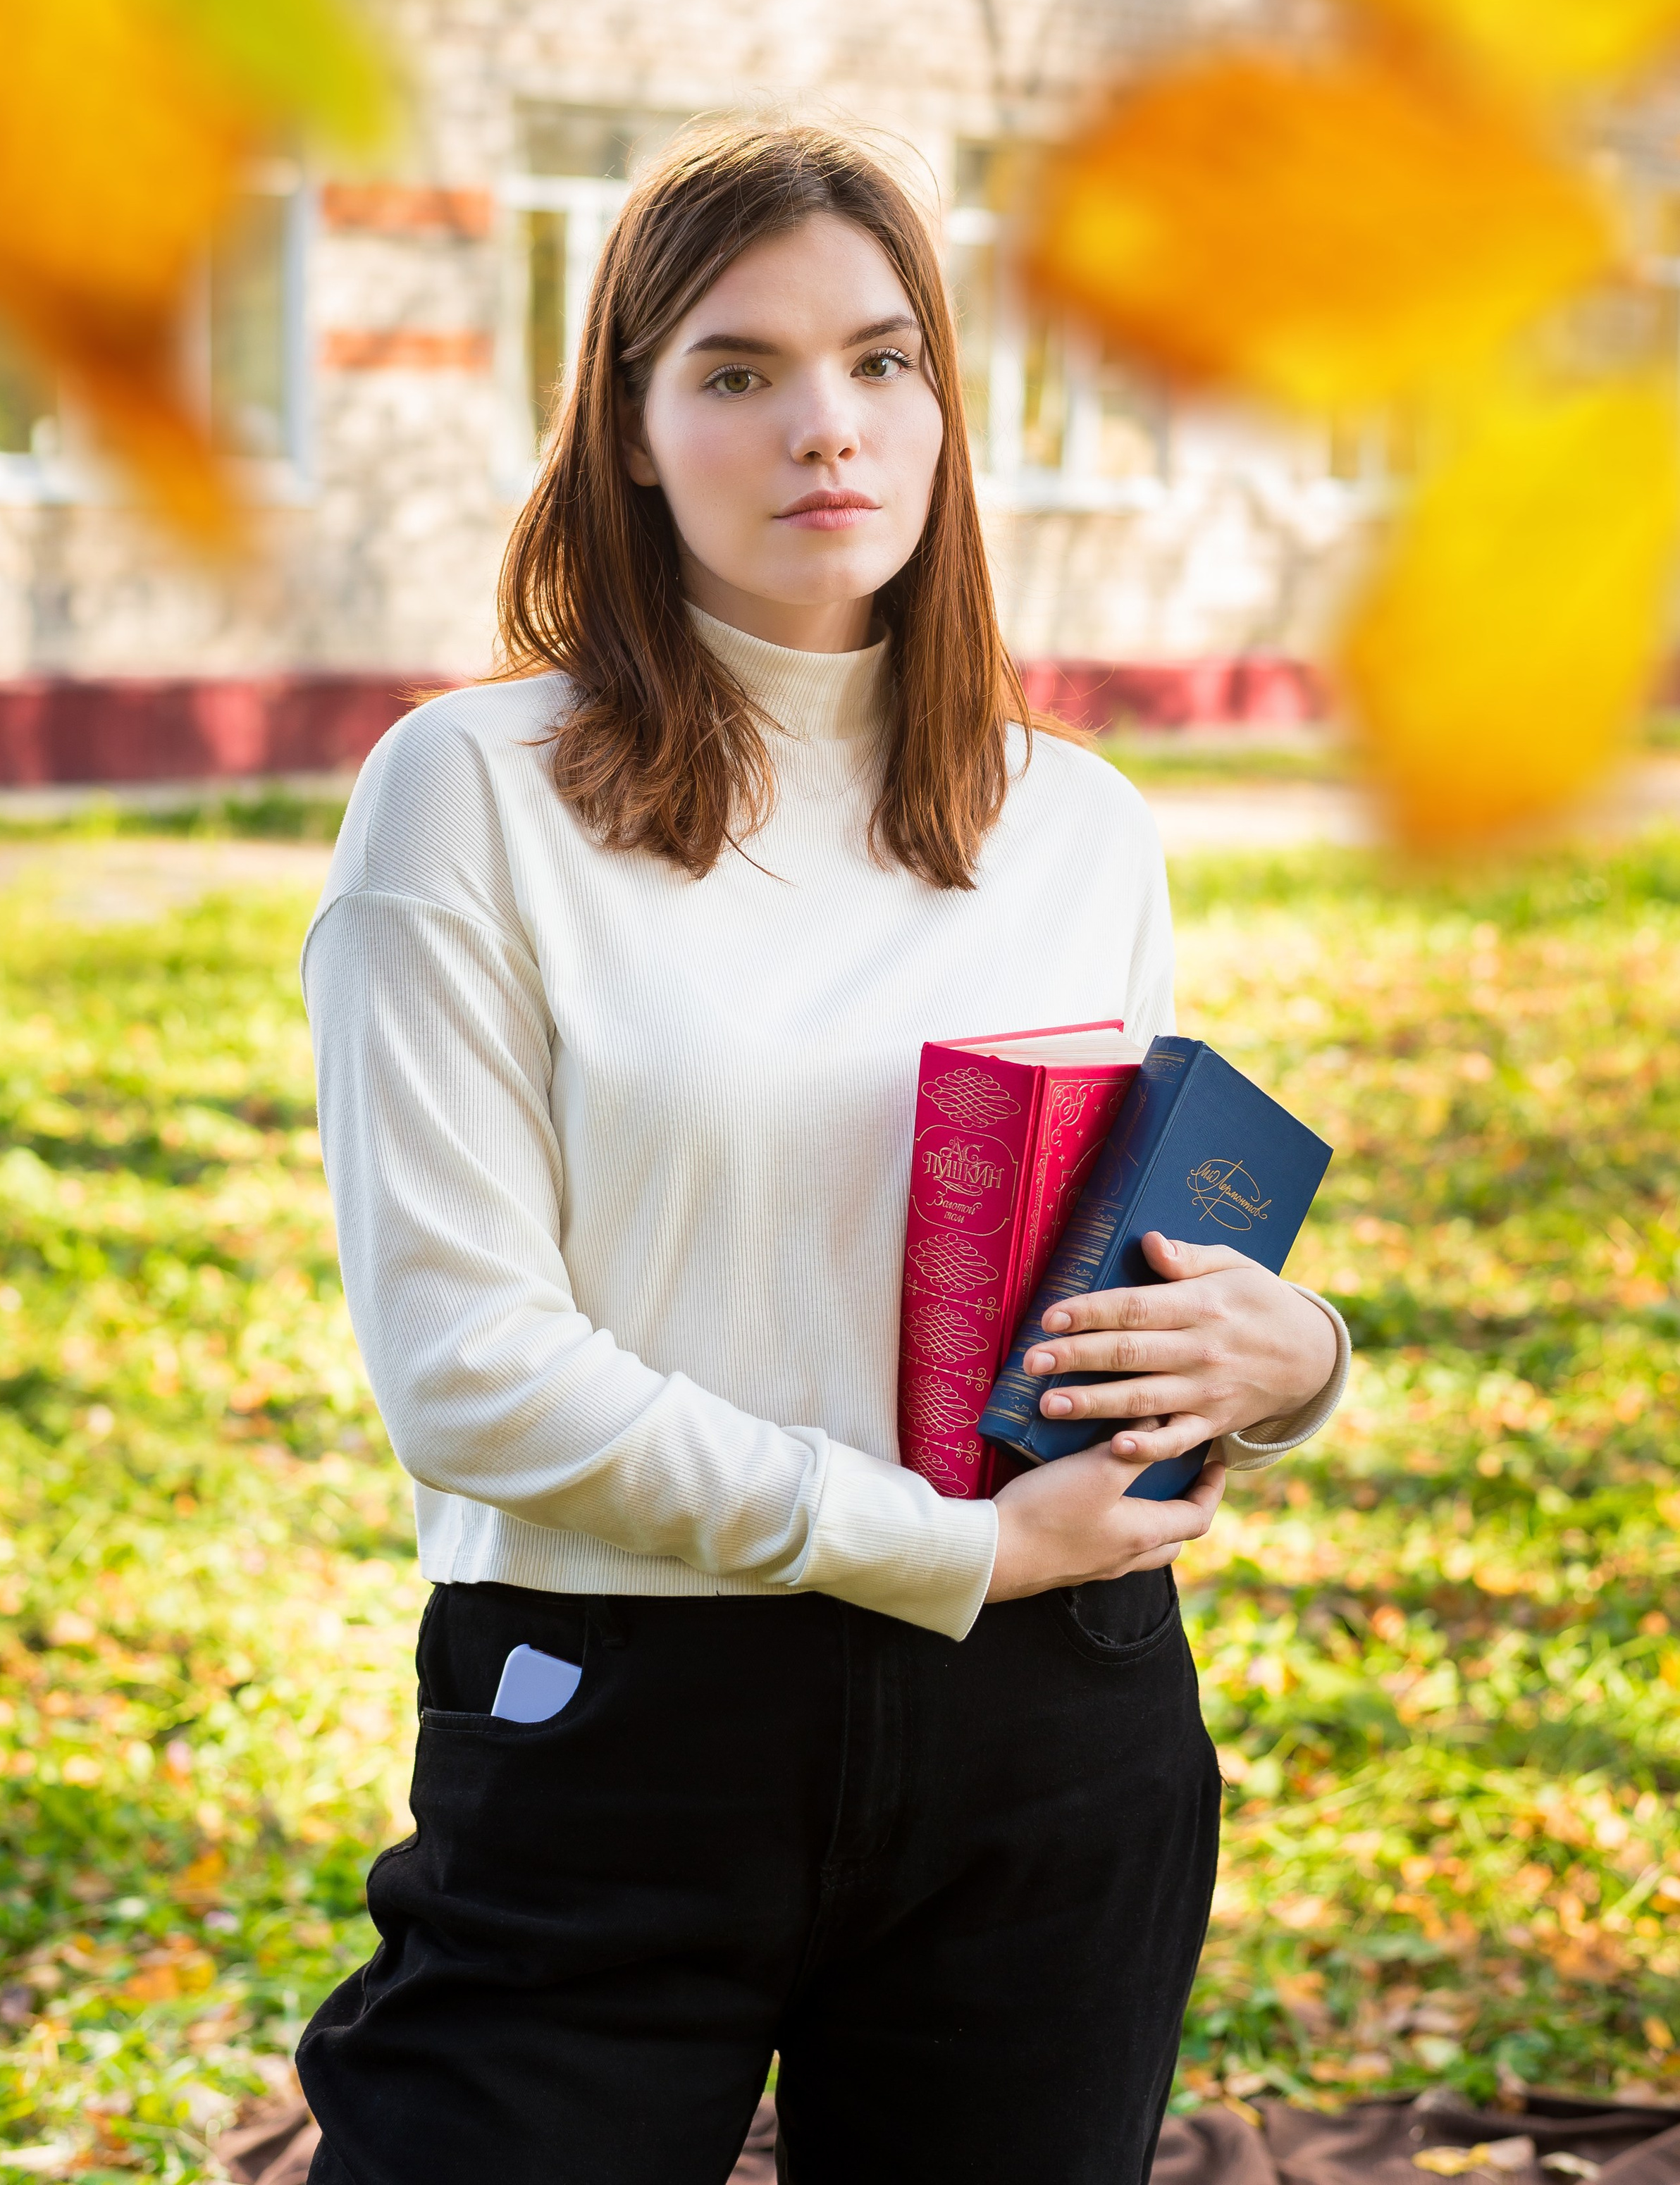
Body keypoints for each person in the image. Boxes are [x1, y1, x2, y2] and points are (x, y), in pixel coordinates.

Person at [296, 120, 1350, 2185]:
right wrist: (941, 1549)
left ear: (947, 406)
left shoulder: (1077, 817)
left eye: (882, 361)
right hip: (623, 1732)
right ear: (624, 424)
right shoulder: (470, 795)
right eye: (738, 367)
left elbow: (1104, 1281)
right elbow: (469, 1370)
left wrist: (1298, 1359)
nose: (826, 428)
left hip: (1061, 1728)